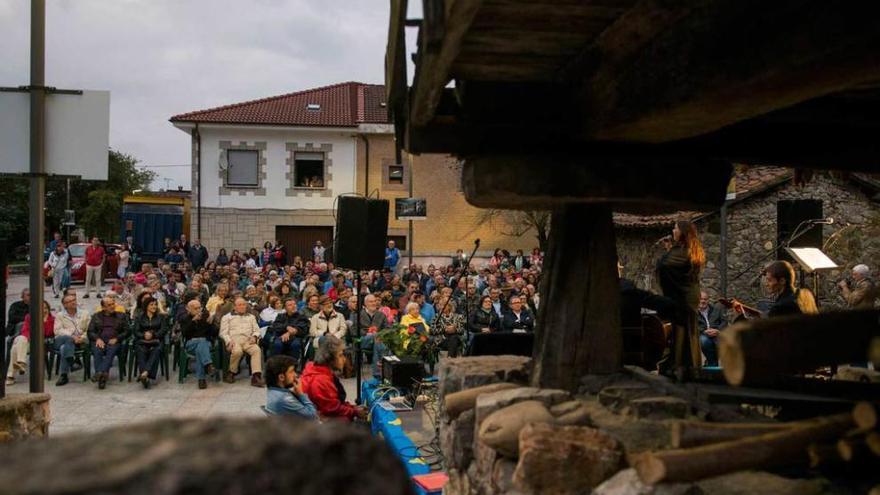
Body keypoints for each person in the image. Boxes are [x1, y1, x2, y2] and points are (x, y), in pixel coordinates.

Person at [657, 220, 705, 379]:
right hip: (690, 295)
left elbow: (664, 265)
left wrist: (668, 253)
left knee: (681, 330)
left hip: (682, 296)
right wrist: (670, 249)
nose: (672, 231)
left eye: (675, 228)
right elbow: (677, 266)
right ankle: (687, 366)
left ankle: (679, 367)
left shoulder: (683, 250)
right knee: (687, 331)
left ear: (682, 232)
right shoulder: (690, 249)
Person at [300, 335, 367, 421]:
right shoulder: (321, 380)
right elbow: (332, 409)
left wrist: (353, 408)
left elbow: (335, 403)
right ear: (329, 358)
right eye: (340, 355)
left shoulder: (317, 369)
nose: (344, 359)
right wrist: (354, 412)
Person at [6, 301, 54, 386]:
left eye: (46, 308)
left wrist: (45, 320)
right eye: (41, 308)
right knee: (21, 339)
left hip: (41, 344)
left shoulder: (51, 319)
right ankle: (21, 363)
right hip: (28, 343)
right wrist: (31, 338)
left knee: (15, 348)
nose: (44, 310)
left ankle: (11, 375)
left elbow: (48, 333)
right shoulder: (29, 317)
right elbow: (25, 330)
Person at [220, 297, 264, 386]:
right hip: (234, 340)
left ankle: (256, 376)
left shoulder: (251, 317)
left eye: (244, 304)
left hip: (248, 340)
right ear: (234, 307)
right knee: (237, 351)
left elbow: (257, 330)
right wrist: (228, 341)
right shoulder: (227, 317)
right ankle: (231, 372)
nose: (242, 307)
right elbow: (223, 332)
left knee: (256, 350)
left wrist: (254, 337)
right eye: (239, 305)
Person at [87, 296, 128, 389]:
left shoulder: (121, 315)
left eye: (113, 304)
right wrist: (97, 338)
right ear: (103, 307)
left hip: (114, 340)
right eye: (109, 305)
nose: (112, 306)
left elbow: (127, 331)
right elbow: (90, 331)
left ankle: (99, 373)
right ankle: (102, 376)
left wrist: (117, 338)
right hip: (100, 340)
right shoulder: (96, 316)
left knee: (111, 349)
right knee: (97, 350)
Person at [264, 355, 319, 419]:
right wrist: (301, 394)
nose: (295, 375)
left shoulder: (272, 390)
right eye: (291, 371)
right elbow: (313, 416)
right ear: (281, 377)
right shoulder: (285, 398)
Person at [52, 293, 89, 386]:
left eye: (74, 300)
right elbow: (57, 331)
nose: (73, 302)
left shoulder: (85, 313)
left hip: (79, 341)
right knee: (67, 340)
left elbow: (90, 329)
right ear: (64, 305)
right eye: (70, 301)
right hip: (61, 340)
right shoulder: (60, 315)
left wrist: (82, 337)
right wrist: (72, 336)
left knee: (64, 348)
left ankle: (64, 374)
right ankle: (71, 363)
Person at [180, 299, 217, 389]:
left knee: (200, 348)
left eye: (199, 308)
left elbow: (214, 333)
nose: (198, 310)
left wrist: (211, 324)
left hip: (206, 343)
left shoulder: (205, 316)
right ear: (189, 309)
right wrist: (193, 322)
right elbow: (184, 333)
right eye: (195, 308)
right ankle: (208, 365)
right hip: (191, 343)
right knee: (201, 343)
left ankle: (201, 379)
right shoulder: (185, 318)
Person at [133, 296, 168, 388]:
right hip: (142, 340)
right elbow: (136, 331)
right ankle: (146, 375)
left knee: (156, 350)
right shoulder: (139, 317)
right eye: (151, 305)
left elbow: (164, 329)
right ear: (146, 306)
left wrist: (153, 335)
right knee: (140, 350)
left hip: (156, 340)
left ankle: (144, 373)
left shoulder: (160, 317)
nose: (154, 306)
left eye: (155, 305)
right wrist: (144, 335)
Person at [696, 291, 727, 367]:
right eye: (701, 299)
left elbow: (724, 322)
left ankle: (711, 363)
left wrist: (718, 330)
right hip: (703, 334)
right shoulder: (694, 312)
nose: (703, 301)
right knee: (704, 341)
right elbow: (693, 325)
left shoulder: (716, 309)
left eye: (705, 299)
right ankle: (712, 363)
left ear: (708, 300)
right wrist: (703, 331)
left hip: (717, 334)